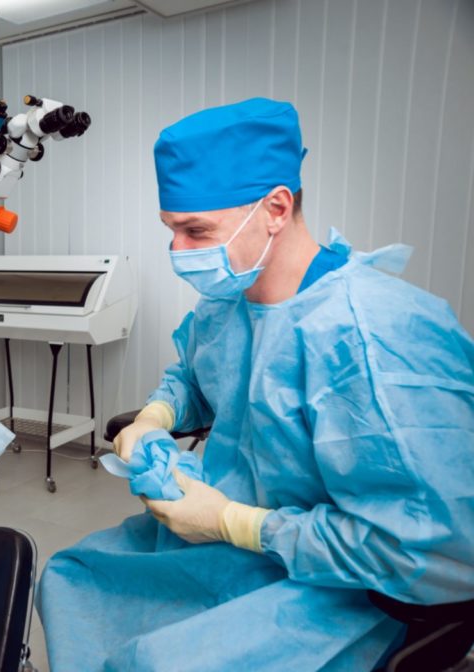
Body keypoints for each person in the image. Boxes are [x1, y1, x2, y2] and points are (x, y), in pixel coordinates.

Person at [37, 98, 474, 671]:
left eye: (196, 231)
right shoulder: (228, 303)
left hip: (343, 582)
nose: (178, 252)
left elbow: (438, 549)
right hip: (235, 547)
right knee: (71, 577)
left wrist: (233, 522)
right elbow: (198, 377)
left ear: (275, 207)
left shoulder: (373, 337)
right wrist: (156, 417)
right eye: (171, 231)